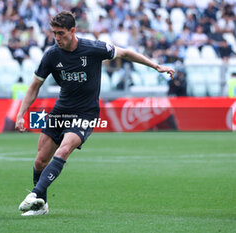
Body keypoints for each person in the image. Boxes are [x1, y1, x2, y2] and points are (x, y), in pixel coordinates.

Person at [15, 11, 175, 216]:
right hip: (61, 110)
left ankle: (34, 194)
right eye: (54, 33)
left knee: (63, 151)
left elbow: (125, 53)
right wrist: (21, 114)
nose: (57, 38)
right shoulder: (52, 55)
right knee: (39, 161)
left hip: (85, 113)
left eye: (61, 33)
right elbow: (34, 86)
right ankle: (42, 206)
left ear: (73, 31)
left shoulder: (93, 48)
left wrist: (155, 66)